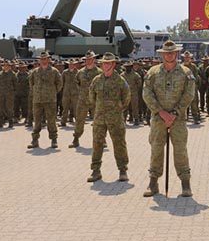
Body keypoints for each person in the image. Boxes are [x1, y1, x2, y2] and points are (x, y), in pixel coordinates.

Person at [141, 40, 196, 197]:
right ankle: (153, 183)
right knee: (156, 149)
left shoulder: (186, 73)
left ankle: (185, 184)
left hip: (178, 119)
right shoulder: (153, 72)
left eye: (172, 52)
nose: (169, 55)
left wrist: (175, 113)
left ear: (176, 54)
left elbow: (189, 94)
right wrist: (161, 112)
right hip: (158, 118)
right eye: (166, 53)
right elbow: (147, 93)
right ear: (162, 54)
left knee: (180, 150)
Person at [87, 53, 131, 183]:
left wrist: (117, 109)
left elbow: (126, 97)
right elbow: (91, 97)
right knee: (97, 144)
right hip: (99, 117)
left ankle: (122, 170)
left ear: (113, 64)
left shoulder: (120, 80)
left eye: (108, 63)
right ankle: (96, 171)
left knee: (119, 144)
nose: (106, 65)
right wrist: (99, 108)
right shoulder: (96, 80)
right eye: (104, 63)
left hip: (115, 118)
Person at [27, 52, 63, 149]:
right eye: (41, 59)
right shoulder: (34, 72)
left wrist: (53, 92)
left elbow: (59, 83)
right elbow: (31, 83)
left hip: (50, 100)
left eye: (45, 59)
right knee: (37, 121)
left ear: (48, 60)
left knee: (51, 120)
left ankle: (54, 140)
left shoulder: (54, 71)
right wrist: (35, 92)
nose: (43, 61)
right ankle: (35, 141)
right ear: (39, 60)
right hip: (37, 100)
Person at [70, 51, 102, 148]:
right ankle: (76, 139)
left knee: (99, 121)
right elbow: (77, 83)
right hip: (83, 100)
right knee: (79, 120)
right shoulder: (80, 72)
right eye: (87, 59)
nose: (88, 61)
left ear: (94, 59)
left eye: (90, 59)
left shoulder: (99, 72)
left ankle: (101, 140)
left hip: (96, 101)